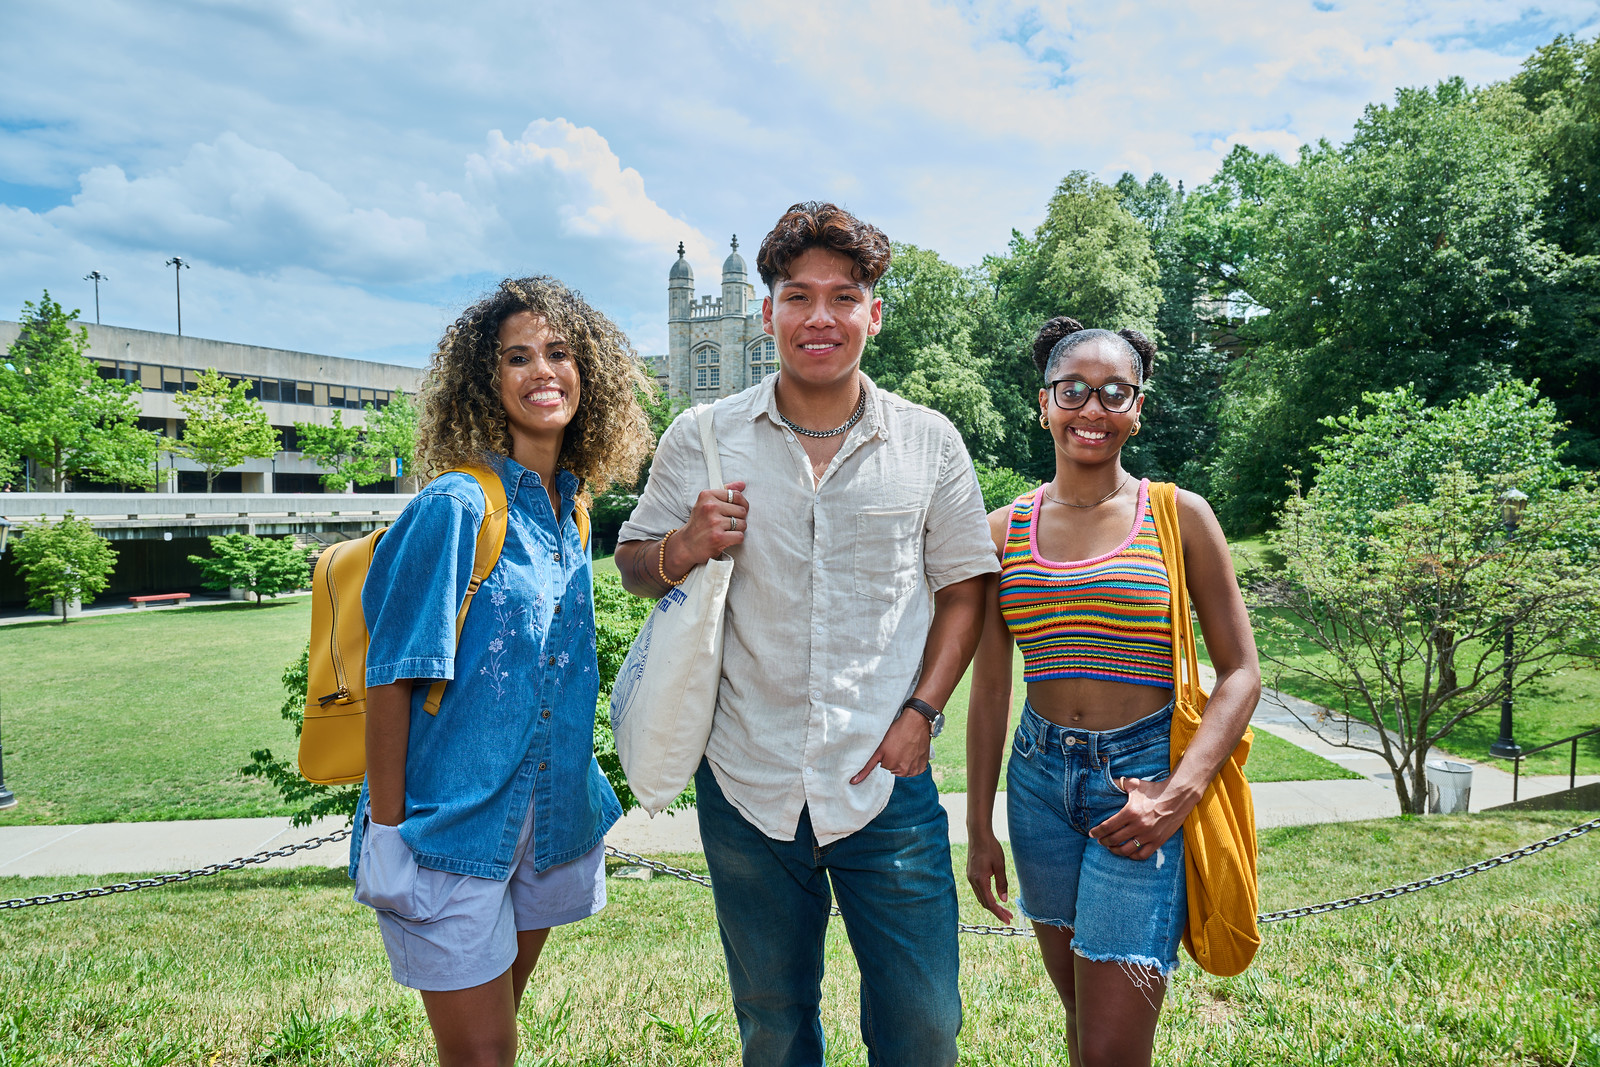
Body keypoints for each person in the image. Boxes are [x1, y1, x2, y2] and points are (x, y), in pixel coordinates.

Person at [615, 202, 998, 1067]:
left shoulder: (929, 442)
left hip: (884, 781)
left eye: (843, 296)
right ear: (766, 313)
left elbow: (966, 587)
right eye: (797, 296)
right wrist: (683, 545)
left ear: (873, 312)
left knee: (925, 1025)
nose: (819, 316)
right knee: (774, 1024)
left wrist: (922, 716)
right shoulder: (702, 436)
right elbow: (633, 561)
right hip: (749, 780)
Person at [350, 277, 652, 1067]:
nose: (541, 371)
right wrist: (386, 835)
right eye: (517, 358)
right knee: (481, 1055)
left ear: (587, 372)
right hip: (449, 826)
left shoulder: (570, 507)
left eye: (558, 352)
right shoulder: (455, 506)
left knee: (495, 1044)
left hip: (544, 821)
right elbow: (393, 677)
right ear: (488, 381)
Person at [965, 316, 1260, 1066]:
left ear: (1137, 407)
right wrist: (977, 826)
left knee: (1110, 1046)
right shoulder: (1002, 530)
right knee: (1082, 1019)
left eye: (1113, 393)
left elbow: (1242, 673)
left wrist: (1177, 792)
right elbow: (991, 689)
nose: (1091, 410)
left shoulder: (1178, 515)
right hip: (1039, 787)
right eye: (1073, 390)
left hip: (1143, 783)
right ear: (1043, 402)